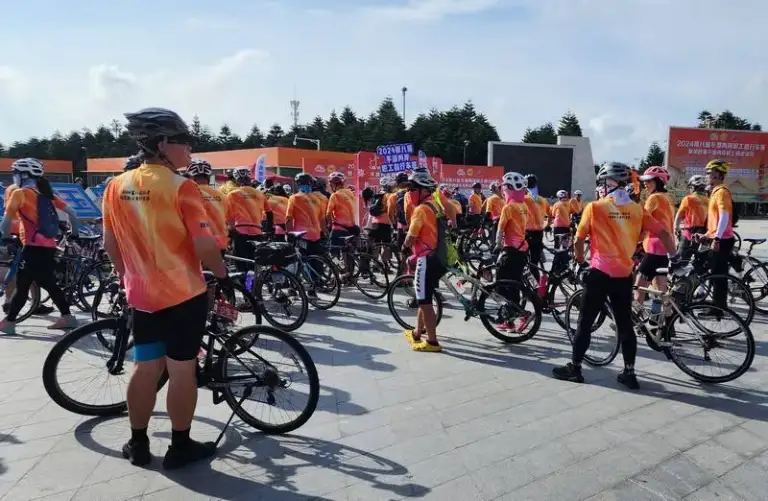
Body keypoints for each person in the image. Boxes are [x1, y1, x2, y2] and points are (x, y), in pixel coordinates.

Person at [102, 107, 227, 469]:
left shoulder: (115, 186)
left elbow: (110, 243)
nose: (189, 148)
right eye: (183, 141)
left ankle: (138, 444)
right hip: (183, 294)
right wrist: (222, 274)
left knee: (145, 368)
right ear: (161, 144)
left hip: (142, 296)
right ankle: (180, 446)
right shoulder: (181, 186)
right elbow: (204, 245)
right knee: (182, 369)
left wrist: (126, 276)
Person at [552, 162, 676, 390]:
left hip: (599, 273)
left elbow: (579, 240)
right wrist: (674, 258)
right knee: (625, 324)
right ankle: (629, 373)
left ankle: (575, 368)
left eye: (602, 182)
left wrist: (579, 261)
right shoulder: (638, 209)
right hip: (624, 275)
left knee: (585, 322)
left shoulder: (595, 207)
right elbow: (664, 232)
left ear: (608, 182)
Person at [0, 158, 81, 334]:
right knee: (35, 283)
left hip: (32, 247)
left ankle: (11, 322)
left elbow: (6, 221)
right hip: (48, 246)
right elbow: (73, 213)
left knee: (31, 284)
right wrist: (74, 235)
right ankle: (10, 321)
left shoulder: (19, 193)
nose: (13, 177)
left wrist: (5, 239)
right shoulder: (45, 193)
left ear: (23, 175)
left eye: (15, 173)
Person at [402, 171, 444, 352]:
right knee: (423, 298)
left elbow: (411, 237)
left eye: (412, 189)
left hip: (425, 260)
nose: (409, 192)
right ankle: (417, 332)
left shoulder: (420, 210)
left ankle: (432, 342)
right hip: (438, 257)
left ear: (424, 190)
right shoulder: (435, 205)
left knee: (425, 303)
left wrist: (404, 247)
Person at [495, 172, 530, 332]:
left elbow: (501, 229)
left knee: (501, 285)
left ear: (508, 189)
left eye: (504, 188)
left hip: (510, 249)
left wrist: (497, 246)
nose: (503, 191)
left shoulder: (508, 207)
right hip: (522, 248)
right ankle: (508, 320)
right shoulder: (523, 206)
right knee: (514, 283)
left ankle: (521, 314)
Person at [225, 167, 272, 272]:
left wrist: (231, 233)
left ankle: (244, 281)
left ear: (237, 180)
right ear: (249, 178)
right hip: (257, 231)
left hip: (240, 231)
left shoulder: (232, 194)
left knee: (241, 264)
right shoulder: (260, 194)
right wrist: (269, 228)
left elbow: (228, 217)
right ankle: (254, 281)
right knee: (254, 263)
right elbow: (269, 212)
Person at [704, 159, 735, 310]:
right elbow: (715, 220)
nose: (707, 176)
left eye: (709, 173)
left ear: (716, 174)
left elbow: (724, 216)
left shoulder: (722, 192)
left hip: (722, 239)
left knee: (719, 275)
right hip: (719, 237)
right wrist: (706, 234)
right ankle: (718, 304)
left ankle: (719, 308)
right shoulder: (716, 191)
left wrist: (716, 238)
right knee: (716, 273)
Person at [187, 159, 228, 254]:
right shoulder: (222, 195)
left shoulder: (187, 193)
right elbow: (225, 216)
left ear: (191, 177)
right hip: (220, 240)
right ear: (208, 176)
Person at [326, 171, 358, 276]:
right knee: (348, 253)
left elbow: (328, 214)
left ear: (333, 184)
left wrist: (329, 226)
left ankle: (341, 272)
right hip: (351, 228)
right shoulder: (350, 193)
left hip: (339, 229)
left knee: (333, 254)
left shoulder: (335, 195)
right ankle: (350, 275)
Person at [287, 173, 325, 255]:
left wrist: (289, 235)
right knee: (316, 259)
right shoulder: (317, 199)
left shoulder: (294, 198)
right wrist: (324, 233)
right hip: (316, 235)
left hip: (302, 236)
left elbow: (289, 219)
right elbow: (322, 219)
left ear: (298, 184)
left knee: (301, 259)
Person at [674, 175, 709, 259]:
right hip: (704, 233)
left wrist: (676, 228)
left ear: (693, 187)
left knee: (680, 259)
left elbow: (679, 215)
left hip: (689, 232)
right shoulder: (709, 200)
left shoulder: (688, 199)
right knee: (699, 259)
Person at [523, 174, 550, 281]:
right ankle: (536, 286)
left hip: (526, 233)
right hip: (539, 233)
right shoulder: (543, 200)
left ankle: (526, 283)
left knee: (523, 261)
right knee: (534, 262)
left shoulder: (524, 199)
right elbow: (550, 215)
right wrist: (547, 225)